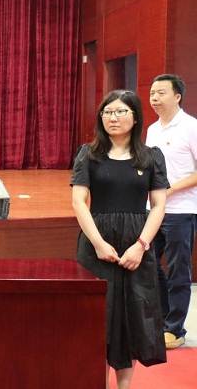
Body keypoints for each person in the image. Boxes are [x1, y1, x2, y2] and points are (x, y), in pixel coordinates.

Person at [71, 90, 168, 389]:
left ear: (135, 117)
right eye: (107, 112)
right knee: (99, 316)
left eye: (120, 111)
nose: (113, 117)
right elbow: (78, 202)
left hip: (137, 244)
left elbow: (159, 205)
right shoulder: (88, 154)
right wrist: (98, 243)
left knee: (133, 316)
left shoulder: (151, 156)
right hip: (96, 244)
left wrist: (141, 246)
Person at [146, 74, 197, 349]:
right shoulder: (153, 129)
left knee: (178, 270)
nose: (154, 98)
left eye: (161, 93)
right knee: (149, 265)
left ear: (177, 96)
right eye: (152, 93)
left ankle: (175, 329)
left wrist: (171, 189)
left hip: (182, 211)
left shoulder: (191, 127)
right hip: (153, 209)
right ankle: (163, 319)